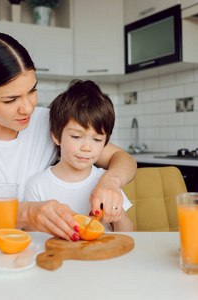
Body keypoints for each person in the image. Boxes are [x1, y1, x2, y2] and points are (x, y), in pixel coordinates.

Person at [0, 32, 137, 241]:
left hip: (25, 251)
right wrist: (28, 213)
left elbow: (123, 159)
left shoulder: (46, 120)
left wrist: (110, 181)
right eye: (11, 100)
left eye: (32, 90)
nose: (28, 108)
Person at [24, 80, 134, 232]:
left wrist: (116, 211)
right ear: (56, 136)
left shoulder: (106, 182)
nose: (87, 147)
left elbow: (129, 233)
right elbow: (33, 237)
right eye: (76, 137)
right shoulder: (37, 185)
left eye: (97, 139)